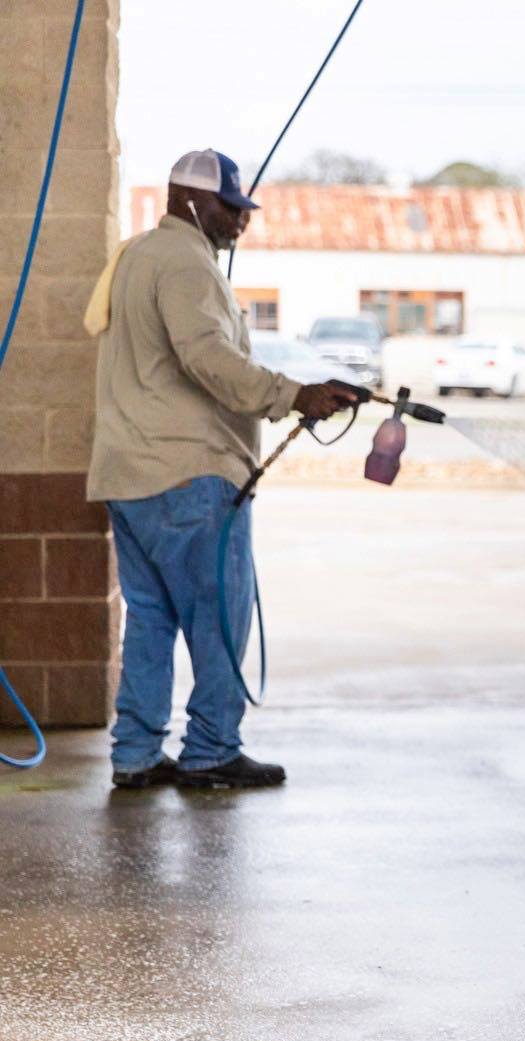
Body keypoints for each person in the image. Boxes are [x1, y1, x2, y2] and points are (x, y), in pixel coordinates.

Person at [86, 149, 357, 789]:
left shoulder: (137, 256)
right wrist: (296, 394)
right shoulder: (184, 263)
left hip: (129, 476)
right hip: (188, 476)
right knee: (219, 620)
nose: (241, 222)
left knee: (151, 621)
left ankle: (136, 755)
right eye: (230, 208)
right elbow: (207, 357)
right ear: (190, 202)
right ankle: (210, 750)